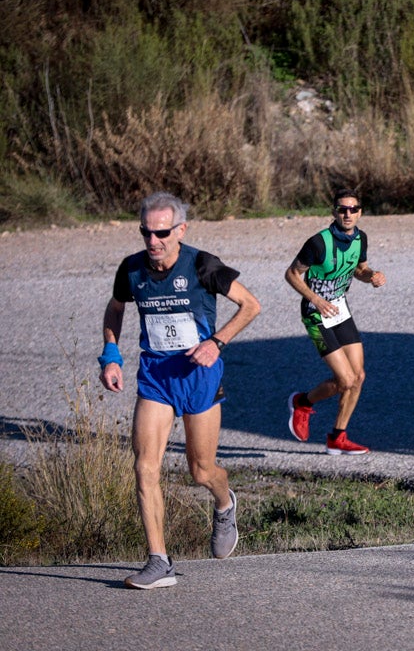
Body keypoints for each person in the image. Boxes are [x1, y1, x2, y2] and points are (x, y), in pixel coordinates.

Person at [99, 191, 261, 589]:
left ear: (181, 230)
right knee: (144, 467)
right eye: (146, 233)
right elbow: (116, 307)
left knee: (201, 470)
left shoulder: (203, 264)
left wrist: (216, 342)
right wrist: (111, 353)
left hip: (199, 377)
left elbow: (251, 306)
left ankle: (225, 503)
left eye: (162, 233)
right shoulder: (132, 269)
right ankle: (159, 561)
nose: (153, 241)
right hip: (156, 377)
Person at [285, 188, 386, 455]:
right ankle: (302, 402)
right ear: (334, 212)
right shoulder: (318, 243)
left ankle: (337, 437)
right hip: (316, 313)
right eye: (342, 209)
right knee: (345, 379)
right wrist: (315, 299)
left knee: (359, 377)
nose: (348, 214)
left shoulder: (361, 238)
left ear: (360, 212)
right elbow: (292, 274)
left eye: (353, 209)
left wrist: (372, 276)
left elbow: (360, 269)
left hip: (340, 309)